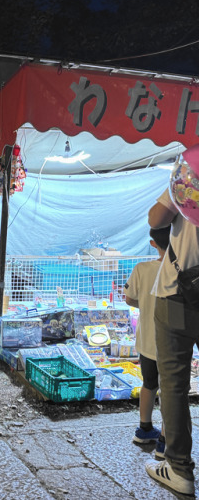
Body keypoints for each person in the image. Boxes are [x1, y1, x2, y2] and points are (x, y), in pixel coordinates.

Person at [144, 188, 199, 495]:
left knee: (175, 384)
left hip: (179, 293)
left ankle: (178, 468)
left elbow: (155, 218)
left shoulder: (192, 169)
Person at [125, 227, 170, 456]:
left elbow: (129, 298)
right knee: (171, 392)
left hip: (146, 341)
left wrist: (146, 305)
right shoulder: (180, 270)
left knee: (149, 384)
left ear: (153, 243)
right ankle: (165, 440)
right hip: (172, 345)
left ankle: (144, 429)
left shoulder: (142, 269)